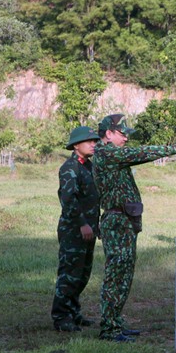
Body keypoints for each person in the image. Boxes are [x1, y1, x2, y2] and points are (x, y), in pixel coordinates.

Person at [93, 114, 176, 342]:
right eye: (122, 134)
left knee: (124, 274)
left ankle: (116, 322)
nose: (125, 139)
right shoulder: (106, 153)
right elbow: (139, 154)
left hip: (124, 221)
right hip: (117, 222)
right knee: (115, 275)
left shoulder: (111, 153)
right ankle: (109, 329)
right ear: (108, 134)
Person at [52, 126, 101, 332]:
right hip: (75, 229)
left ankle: (73, 312)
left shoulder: (88, 166)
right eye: (88, 141)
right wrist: (82, 223)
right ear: (75, 145)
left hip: (88, 229)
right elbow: (68, 199)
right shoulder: (69, 167)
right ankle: (61, 317)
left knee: (82, 274)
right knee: (69, 274)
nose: (93, 144)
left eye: (94, 141)